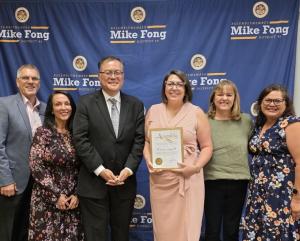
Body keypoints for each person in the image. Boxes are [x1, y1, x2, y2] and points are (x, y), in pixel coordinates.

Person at [73, 56, 145, 241]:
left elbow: (139, 141)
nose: (113, 76)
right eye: (108, 72)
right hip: (93, 184)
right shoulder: (85, 103)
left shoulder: (136, 105)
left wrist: (128, 170)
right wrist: (100, 170)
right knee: (96, 236)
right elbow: (80, 140)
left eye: (118, 72)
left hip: (124, 183)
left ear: (123, 75)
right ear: (99, 76)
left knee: (121, 235)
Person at [143, 70, 213, 241]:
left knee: (187, 227)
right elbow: (146, 142)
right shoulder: (153, 110)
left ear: (186, 88)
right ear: (164, 87)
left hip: (188, 179)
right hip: (160, 180)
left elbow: (207, 147)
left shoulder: (196, 112)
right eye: (170, 84)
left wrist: (195, 167)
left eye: (179, 84)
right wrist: (148, 160)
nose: (174, 88)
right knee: (163, 229)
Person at [240, 84, 300, 240]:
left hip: (281, 195)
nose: (272, 104)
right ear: (260, 103)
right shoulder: (259, 126)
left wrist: (297, 199)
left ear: (286, 104)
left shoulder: (291, 124)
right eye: (267, 100)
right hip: (257, 194)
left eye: (277, 101)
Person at [28, 91, 83, 241]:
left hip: (72, 202)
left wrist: (77, 193)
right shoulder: (42, 133)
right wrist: (57, 194)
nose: (63, 107)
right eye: (58, 104)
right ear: (52, 109)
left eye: (67, 103)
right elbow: (36, 165)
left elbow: (84, 166)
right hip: (47, 199)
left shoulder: (77, 134)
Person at [0, 64, 45, 241]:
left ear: (39, 83)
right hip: (14, 183)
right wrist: (5, 180)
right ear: (17, 82)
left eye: (34, 78)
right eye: (26, 78)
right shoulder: (4, 105)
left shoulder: (45, 109)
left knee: (29, 231)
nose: (30, 81)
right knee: (8, 232)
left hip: (39, 184)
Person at [203, 80, 252, 241]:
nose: (224, 98)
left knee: (232, 231)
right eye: (220, 94)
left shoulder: (246, 120)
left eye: (229, 94)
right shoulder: (203, 120)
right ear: (213, 98)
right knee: (212, 230)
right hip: (211, 181)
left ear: (235, 98)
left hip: (238, 182)